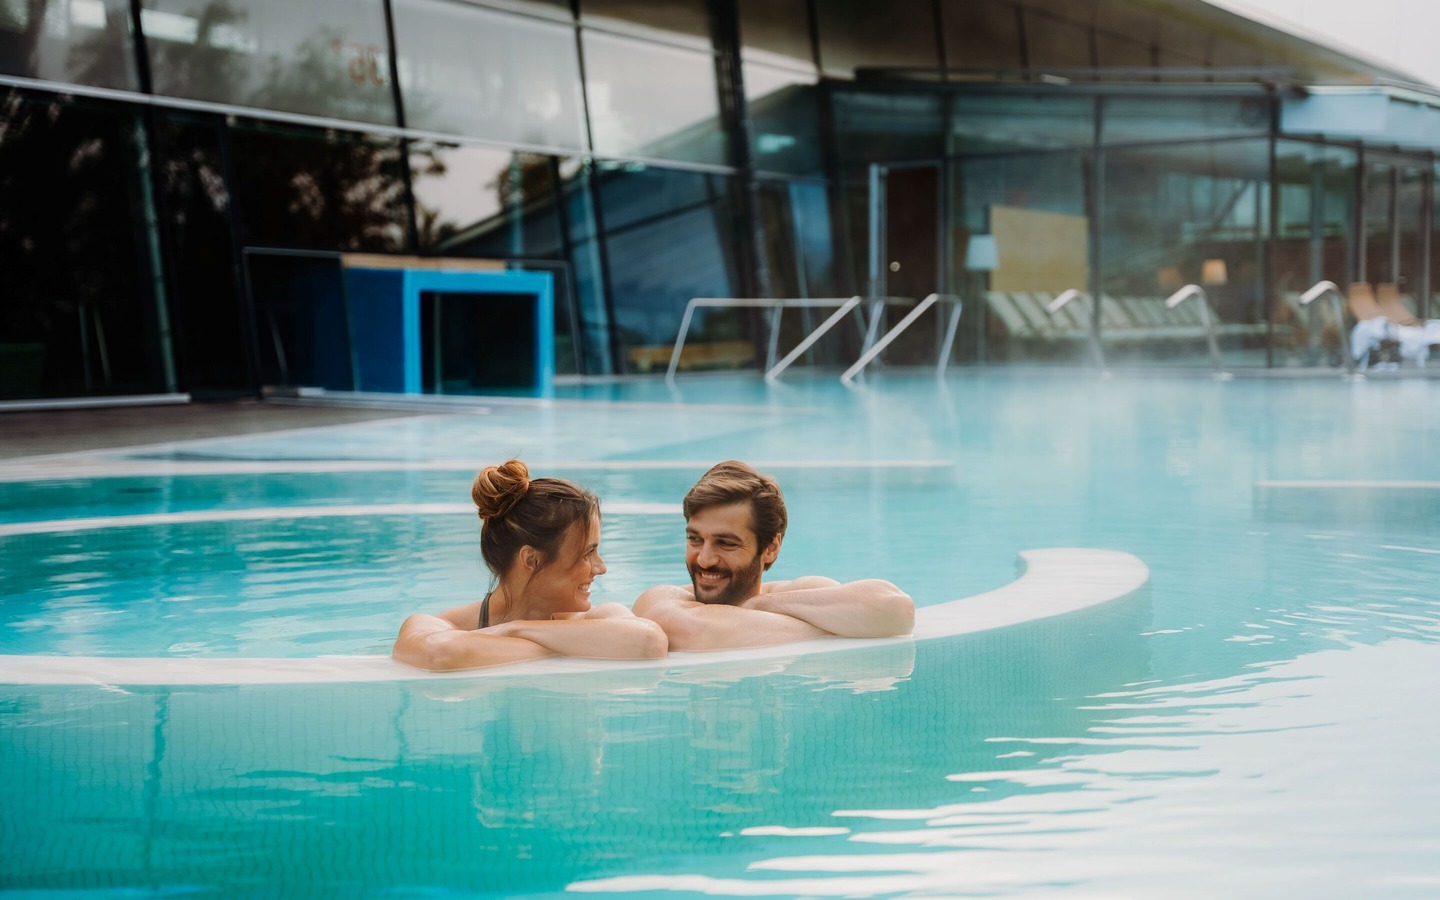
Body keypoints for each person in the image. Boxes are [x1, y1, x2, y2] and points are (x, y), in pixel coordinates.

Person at [393, 460, 667, 670]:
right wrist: (571, 645)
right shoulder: (441, 625)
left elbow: (649, 641)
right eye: (588, 553)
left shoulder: (600, 617)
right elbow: (441, 654)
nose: (601, 568)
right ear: (531, 560)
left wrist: (514, 629)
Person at [633, 460, 914, 651]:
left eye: (726, 543)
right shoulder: (661, 599)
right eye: (695, 539)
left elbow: (896, 610)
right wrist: (835, 628)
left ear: (770, 548)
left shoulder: (792, 595)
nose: (705, 559)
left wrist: (762, 604)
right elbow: (699, 634)